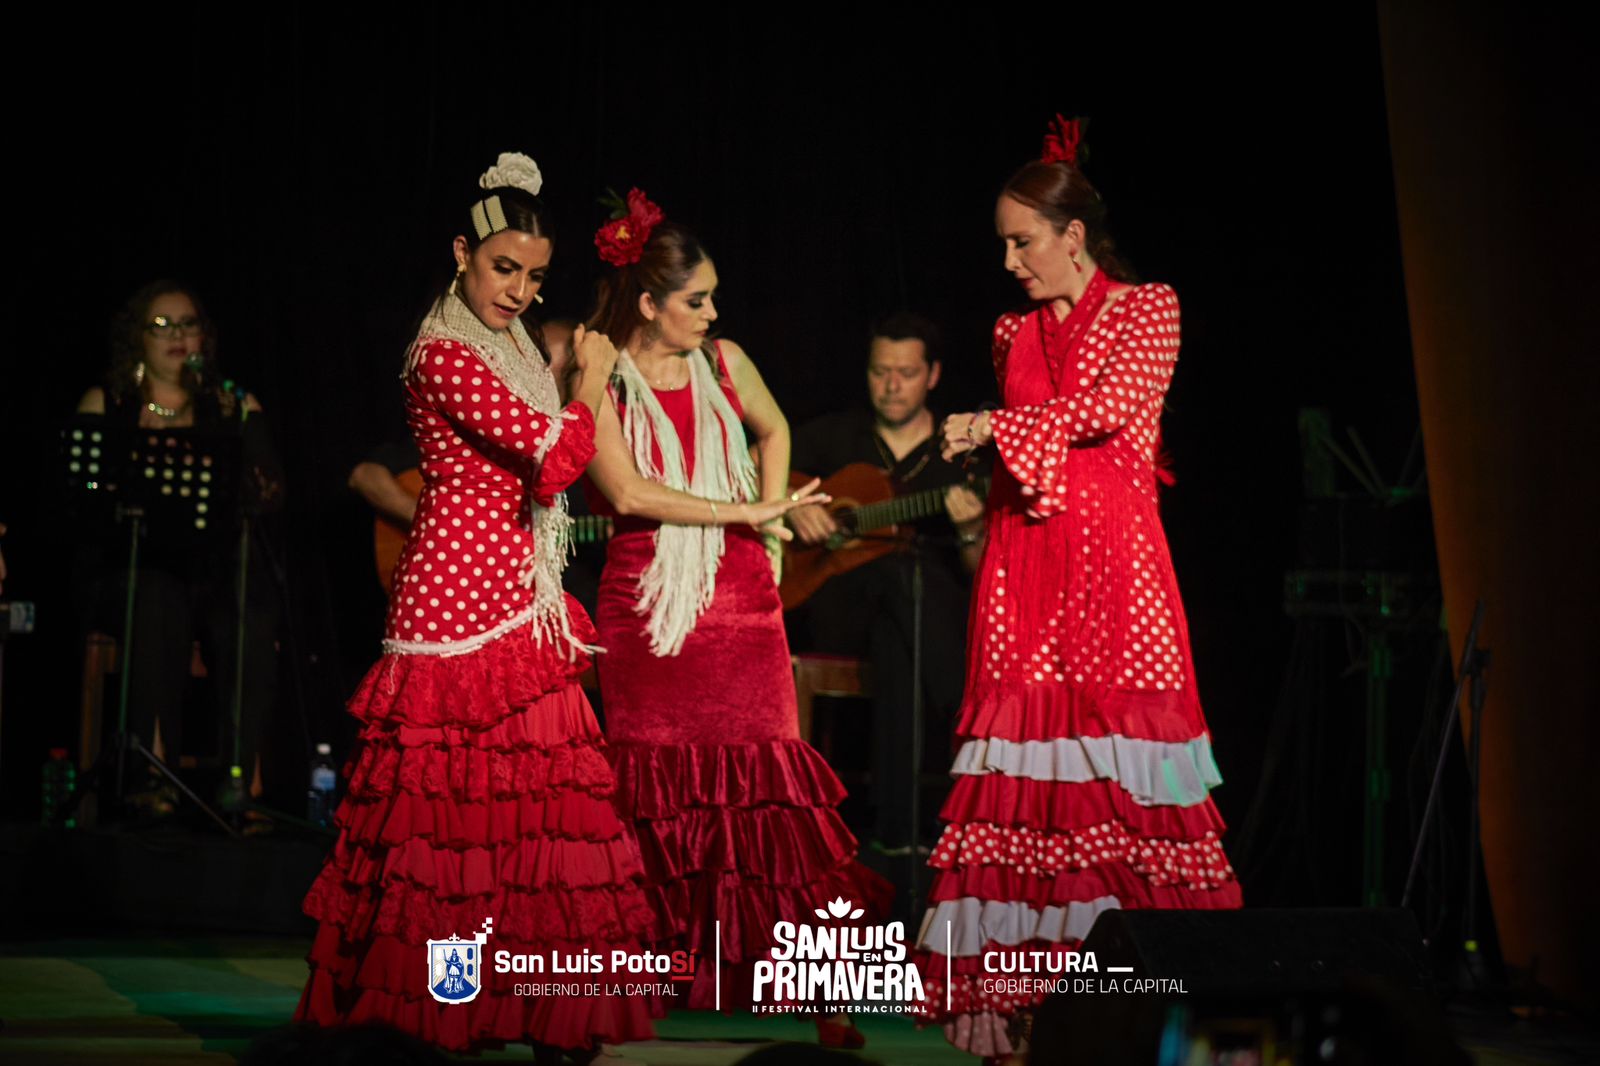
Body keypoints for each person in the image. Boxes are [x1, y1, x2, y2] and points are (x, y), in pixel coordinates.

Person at [294, 153, 653, 1062]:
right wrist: (588, 383)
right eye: (504, 268)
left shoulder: (512, 342)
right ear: (462, 253)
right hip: (459, 613)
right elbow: (558, 463)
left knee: (537, 816)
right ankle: (438, 1014)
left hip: (521, 600)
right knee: (449, 827)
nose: (520, 291)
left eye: (534, 276)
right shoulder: (445, 351)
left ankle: (532, 1009)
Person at [922, 118, 1243, 1060]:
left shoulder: (1150, 308)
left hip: (1117, 577)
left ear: (1074, 235)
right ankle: (1028, 1014)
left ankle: (1147, 1005)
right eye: (1003, 245)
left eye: (1024, 241)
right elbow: (1041, 445)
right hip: (1026, 572)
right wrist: (991, 449)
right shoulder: (1008, 331)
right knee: (1026, 786)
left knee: (1125, 779)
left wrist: (988, 428)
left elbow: (1109, 412)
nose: (1012, 261)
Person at [582, 189, 889, 1043]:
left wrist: (771, 534)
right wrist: (747, 512)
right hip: (649, 602)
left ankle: (825, 995)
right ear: (648, 303)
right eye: (696, 300)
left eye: (712, 296)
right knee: (649, 798)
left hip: (741, 598)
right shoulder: (601, 371)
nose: (712, 313)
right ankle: (636, 982)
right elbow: (628, 491)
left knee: (771, 797)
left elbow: (775, 428)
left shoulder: (725, 362)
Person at [74, 280, 283, 807]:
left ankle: (243, 779)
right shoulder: (110, 402)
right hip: (135, 567)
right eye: (161, 326)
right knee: (156, 599)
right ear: (137, 339)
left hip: (211, 568)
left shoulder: (230, 402)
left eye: (186, 324)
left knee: (250, 608)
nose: (176, 336)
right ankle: (153, 771)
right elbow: (83, 497)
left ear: (203, 338)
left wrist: (248, 437)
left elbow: (269, 491)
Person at [786, 312, 987, 855]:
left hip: (921, 619)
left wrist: (970, 529)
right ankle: (970, 732)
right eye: (880, 372)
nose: (892, 385)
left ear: (934, 375)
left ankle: (896, 833)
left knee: (902, 631)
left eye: (906, 372)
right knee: (900, 575)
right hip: (835, 608)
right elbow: (759, 475)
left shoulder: (959, 457)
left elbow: (981, 576)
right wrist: (793, 506)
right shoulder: (830, 437)